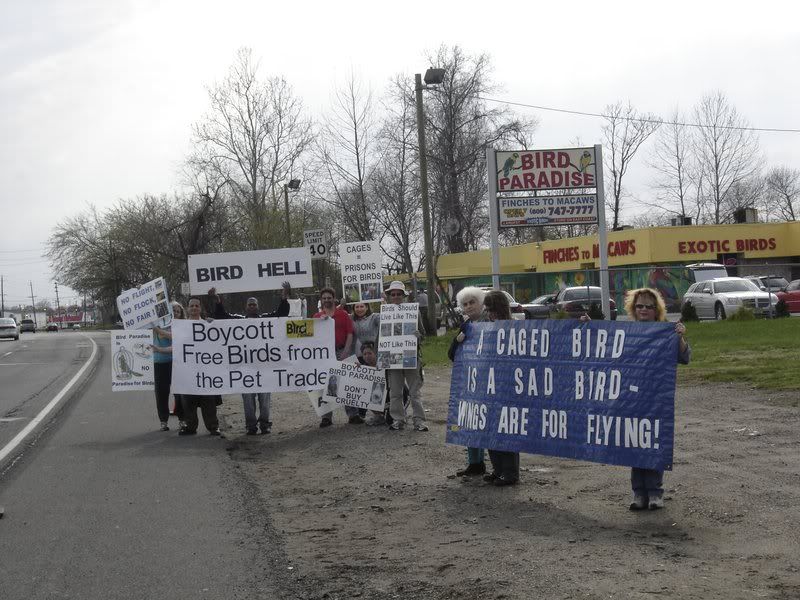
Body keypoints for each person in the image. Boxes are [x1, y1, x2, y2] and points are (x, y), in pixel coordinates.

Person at [622, 288, 690, 510]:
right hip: (631, 399)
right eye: (639, 306)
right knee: (634, 444)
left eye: (648, 306)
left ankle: (655, 492)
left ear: (656, 310)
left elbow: (684, 357)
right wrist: (585, 325)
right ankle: (638, 493)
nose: (643, 310)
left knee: (652, 443)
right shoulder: (627, 331)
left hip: (655, 400)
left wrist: (679, 337)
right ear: (633, 308)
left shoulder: (665, 332)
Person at [208, 285, 292, 435]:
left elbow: (282, 313)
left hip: (264, 368)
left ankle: (265, 424)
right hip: (245, 369)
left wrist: (284, 297)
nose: (252, 306)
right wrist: (217, 301)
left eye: (254, 304)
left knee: (265, 398)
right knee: (248, 399)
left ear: (258, 307)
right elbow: (223, 317)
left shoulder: (266, 320)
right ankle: (251, 425)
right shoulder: (238, 321)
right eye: (250, 304)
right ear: (246, 307)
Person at [448, 286, 487, 476]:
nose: (469, 306)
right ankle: (475, 463)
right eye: (465, 304)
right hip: (470, 382)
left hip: (489, 382)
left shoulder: (492, 323)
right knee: (470, 420)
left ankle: (495, 464)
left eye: (472, 302)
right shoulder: (464, 326)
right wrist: (458, 340)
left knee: (486, 421)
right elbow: (451, 355)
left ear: (480, 303)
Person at [482, 290, 520, 487]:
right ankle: (498, 469)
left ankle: (510, 472)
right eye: (488, 310)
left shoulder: (515, 328)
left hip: (508, 387)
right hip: (490, 386)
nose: (490, 314)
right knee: (490, 429)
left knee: (507, 430)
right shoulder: (484, 329)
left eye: (493, 310)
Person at [384, 281, 428, 432]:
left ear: (404, 295)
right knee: (395, 392)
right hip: (392, 357)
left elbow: (423, 334)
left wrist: (418, 336)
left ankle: (419, 420)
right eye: (393, 294)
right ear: (389, 296)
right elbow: (381, 338)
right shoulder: (384, 313)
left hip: (411, 355)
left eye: (398, 294)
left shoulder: (414, 312)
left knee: (415, 392)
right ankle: (398, 419)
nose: (396, 296)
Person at [314, 287, 359, 427]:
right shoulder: (316, 317)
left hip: (342, 351)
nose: (327, 300)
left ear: (334, 299)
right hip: (324, 355)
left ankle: (353, 415)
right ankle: (326, 417)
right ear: (321, 300)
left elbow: (350, 334)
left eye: (329, 297)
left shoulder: (343, 314)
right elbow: (312, 338)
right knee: (324, 385)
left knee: (347, 383)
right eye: (324, 298)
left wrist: (346, 351)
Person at [179, 297, 222, 436]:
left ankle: (213, 426)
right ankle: (191, 427)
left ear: (200, 308)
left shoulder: (208, 324)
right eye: (191, 306)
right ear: (187, 308)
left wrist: (213, 324)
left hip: (205, 369)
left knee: (208, 400)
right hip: (187, 369)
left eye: (197, 306)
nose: (194, 308)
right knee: (188, 400)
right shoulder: (181, 326)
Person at [150, 301, 186, 431]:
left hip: (177, 362)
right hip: (160, 362)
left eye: (178, 311)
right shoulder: (156, 322)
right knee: (161, 392)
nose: (175, 313)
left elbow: (173, 337)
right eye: (172, 311)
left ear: (181, 314)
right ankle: (163, 421)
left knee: (179, 392)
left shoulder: (181, 326)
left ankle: (182, 419)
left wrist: (156, 329)